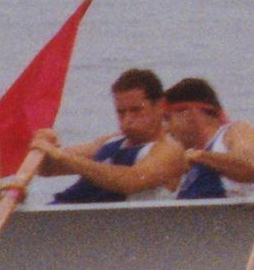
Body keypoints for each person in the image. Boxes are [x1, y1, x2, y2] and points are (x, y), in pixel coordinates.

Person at [35, 68, 187, 203]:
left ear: (160, 106)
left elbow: (131, 181)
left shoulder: (169, 150)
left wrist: (61, 156)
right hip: (67, 217)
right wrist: (44, 145)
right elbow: (48, 169)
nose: (127, 120)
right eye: (121, 112)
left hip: (116, 225)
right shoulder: (110, 141)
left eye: (136, 110)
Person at [163, 77, 254, 200]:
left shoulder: (236, 131)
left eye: (167, 118)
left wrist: (200, 156)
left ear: (189, 114)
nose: (166, 129)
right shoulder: (187, 160)